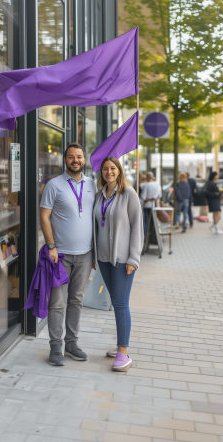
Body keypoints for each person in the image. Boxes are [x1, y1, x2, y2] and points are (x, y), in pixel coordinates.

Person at [40, 143, 97, 366]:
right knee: (57, 303)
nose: (75, 160)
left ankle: (72, 343)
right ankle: (56, 346)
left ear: (84, 160)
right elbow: (44, 217)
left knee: (77, 300)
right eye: (71, 157)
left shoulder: (92, 184)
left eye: (79, 157)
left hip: (85, 255)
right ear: (65, 160)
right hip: (60, 255)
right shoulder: (54, 185)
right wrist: (51, 246)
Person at [93, 157, 143, 372]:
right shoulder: (99, 195)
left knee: (121, 304)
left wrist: (133, 259)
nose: (108, 172)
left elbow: (137, 227)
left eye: (112, 168)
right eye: (105, 169)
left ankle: (123, 352)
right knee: (116, 302)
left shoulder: (128, 194)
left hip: (123, 261)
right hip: (103, 259)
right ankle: (119, 344)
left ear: (119, 171)